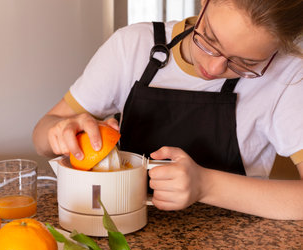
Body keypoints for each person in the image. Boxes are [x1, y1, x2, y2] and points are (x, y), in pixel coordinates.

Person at [32, 0, 303, 220]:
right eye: (209, 40)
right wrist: (60, 132)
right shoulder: (132, 47)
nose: (214, 68)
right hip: (121, 231)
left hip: (235, 247)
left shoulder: (290, 75)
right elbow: (42, 137)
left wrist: (205, 185)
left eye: (244, 63)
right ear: (204, 4)